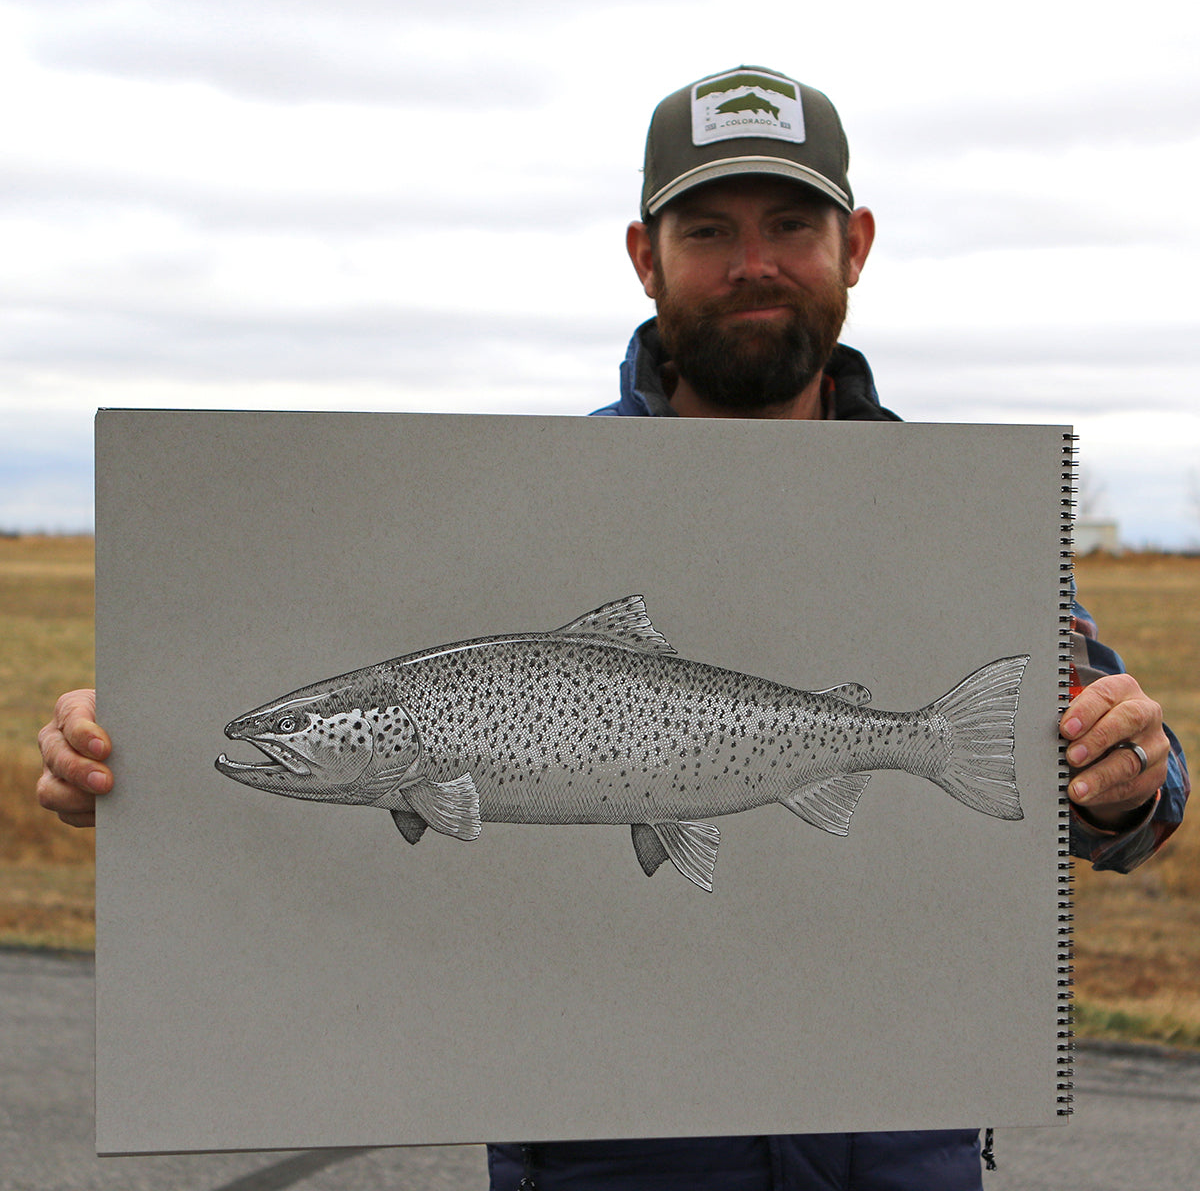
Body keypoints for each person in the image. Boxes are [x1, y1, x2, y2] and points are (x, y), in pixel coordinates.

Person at [37, 65, 1190, 1189]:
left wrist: (1132, 778)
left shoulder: (960, 524)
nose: (753, 265)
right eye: (706, 232)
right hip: (605, 1150)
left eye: (791, 223)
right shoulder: (518, 504)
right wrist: (136, 773)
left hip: (895, 1140)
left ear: (858, 246)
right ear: (645, 257)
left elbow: (1117, 789)